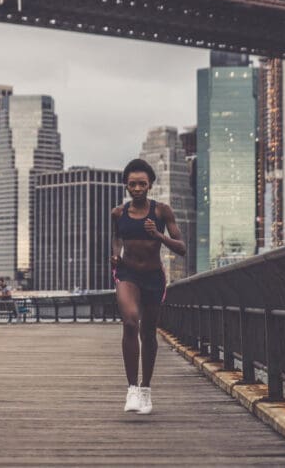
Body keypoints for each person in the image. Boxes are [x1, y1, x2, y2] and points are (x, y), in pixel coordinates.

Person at [111, 158, 186, 414]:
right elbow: (116, 238)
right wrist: (116, 253)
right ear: (126, 186)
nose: (137, 188)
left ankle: (146, 390)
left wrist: (158, 235)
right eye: (132, 184)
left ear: (150, 184)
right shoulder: (118, 213)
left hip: (154, 277)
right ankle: (131, 389)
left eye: (142, 183)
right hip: (127, 274)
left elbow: (182, 248)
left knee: (149, 334)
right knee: (131, 322)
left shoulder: (162, 211)